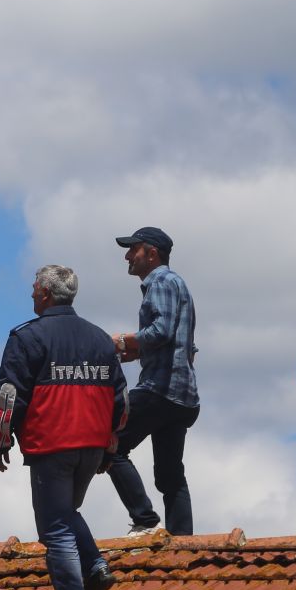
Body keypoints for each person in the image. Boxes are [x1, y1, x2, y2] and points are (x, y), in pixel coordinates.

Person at [0, 264, 128, 590]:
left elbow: (9, 397)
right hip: (92, 446)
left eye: (35, 288)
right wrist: (110, 447)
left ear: (46, 294)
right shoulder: (101, 339)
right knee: (65, 513)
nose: (32, 293)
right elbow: (121, 400)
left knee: (56, 529)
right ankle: (95, 568)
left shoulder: (27, 337)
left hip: (52, 444)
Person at [107, 227, 199, 536]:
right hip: (182, 396)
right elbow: (180, 342)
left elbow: (161, 331)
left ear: (152, 253)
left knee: (109, 442)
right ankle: (182, 544)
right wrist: (136, 352)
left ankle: (145, 520)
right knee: (170, 476)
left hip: (159, 389)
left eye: (133, 250)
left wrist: (122, 341)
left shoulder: (160, 282)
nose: (127, 256)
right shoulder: (176, 284)